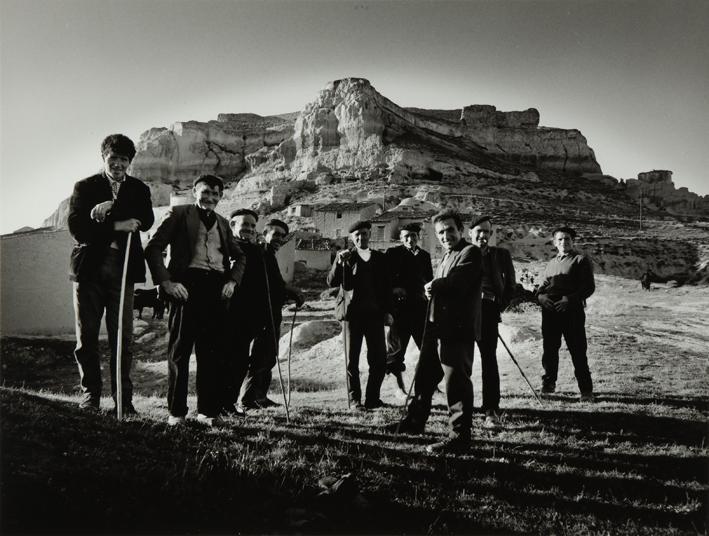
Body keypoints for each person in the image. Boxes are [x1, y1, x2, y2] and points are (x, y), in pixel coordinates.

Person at [145, 175, 245, 426]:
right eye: (206, 193)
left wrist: (232, 281)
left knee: (211, 353)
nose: (210, 198)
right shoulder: (179, 214)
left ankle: (207, 412)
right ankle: (176, 413)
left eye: (216, 194)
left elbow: (239, 257)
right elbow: (153, 247)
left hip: (216, 291)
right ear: (194, 192)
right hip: (186, 288)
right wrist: (167, 282)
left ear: (221, 197)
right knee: (179, 352)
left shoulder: (223, 223)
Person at [68, 134, 154, 414]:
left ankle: (124, 402)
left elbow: (146, 220)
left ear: (130, 162)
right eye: (113, 158)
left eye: (124, 160)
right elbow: (79, 230)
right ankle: (90, 396)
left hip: (123, 270)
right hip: (89, 271)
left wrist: (111, 211)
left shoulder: (139, 188)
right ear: (103, 158)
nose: (118, 164)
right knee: (88, 337)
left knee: (123, 338)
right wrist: (117, 224)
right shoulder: (85, 186)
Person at [386, 209, 482, 455]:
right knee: (424, 379)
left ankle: (459, 436)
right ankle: (414, 422)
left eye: (450, 229)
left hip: (456, 332)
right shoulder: (446, 256)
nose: (445, 235)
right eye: (440, 232)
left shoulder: (470, 252)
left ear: (460, 230)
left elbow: (457, 283)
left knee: (456, 384)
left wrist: (434, 285)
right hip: (436, 331)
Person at [238, 218, 304, 410]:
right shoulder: (261, 253)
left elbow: (276, 286)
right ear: (264, 234)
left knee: (268, 357)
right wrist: (289, 291)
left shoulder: (269, 255)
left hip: (272, 313)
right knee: (261, 357)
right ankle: (248, 399)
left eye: (282, 236)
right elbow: (263, 285)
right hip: (260, 314)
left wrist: (290, 293)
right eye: (275, 234)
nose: (278, 239)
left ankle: (260, 396)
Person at [327, 220, 393, 410]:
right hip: (351, 317)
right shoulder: (345, 257)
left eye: (364, 233)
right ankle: (355, 401)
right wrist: (338, 263)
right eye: (356, 235)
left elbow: (387, 288)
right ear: (351, 238)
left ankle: (373, 399)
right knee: (351, 362)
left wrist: (389, 312)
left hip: (374, 316)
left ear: (369, 235)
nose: (361, 237)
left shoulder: (380, 258)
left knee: (379, 360)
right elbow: (331, 282)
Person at [536, 226, 595, 402]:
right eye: (560, 239)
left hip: (572, 312)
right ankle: (548, 385)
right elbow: (543, 285)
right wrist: (540, 297)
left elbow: (588, 287)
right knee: (549, 351)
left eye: (567, 239)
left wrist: (569, 300)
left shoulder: (580, 260)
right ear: (555, 242)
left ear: (573, 241)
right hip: (550, 312)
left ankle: (586, 391)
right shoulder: (551, 263)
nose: (564, 242)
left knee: (578, 351)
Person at [468, 216, 516, 427]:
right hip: (465, 311)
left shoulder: (500, 254)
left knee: (489, 360)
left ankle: (491, 408)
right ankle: (463, 406)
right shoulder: (463, 253)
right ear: (470, 234)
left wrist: (499, 305)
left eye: (487, 232)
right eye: (478, 231)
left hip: (488, 310)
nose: (483, 236)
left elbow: (511, 285)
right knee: (463, 361)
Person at [384, 223, 433, 394]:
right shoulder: (392, 254)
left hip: (420, 309)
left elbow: (429, 281)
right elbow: (384, 281)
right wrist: (394, 289)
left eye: (413, 236)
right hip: (400, 311)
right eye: (406, 236)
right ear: (400, 238)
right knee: (396, 351)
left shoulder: (425, 256)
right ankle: (399, 388)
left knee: (427, 350)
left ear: (418, 237)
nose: (410, 239)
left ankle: (429, 385)